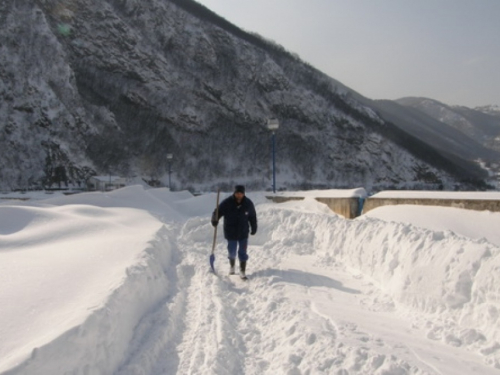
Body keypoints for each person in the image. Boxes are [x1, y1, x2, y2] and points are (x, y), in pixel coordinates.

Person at [211, 185, 257, 278]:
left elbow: (252, 216)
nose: (239, 195)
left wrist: (254, 227)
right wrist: (214, 219)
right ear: (234, 193)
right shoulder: (227, 203)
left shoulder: (248, 203)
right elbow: (217, 212)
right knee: (232, 251)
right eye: (237, 193)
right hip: (230, 231)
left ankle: (242, 270)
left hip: (243, 232)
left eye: (241, 193)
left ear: (243, 194)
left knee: (242, 252)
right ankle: (232, 266)